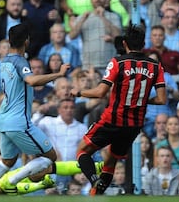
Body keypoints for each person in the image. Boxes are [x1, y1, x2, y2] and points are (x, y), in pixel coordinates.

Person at [70, 23, 166, 195]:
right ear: (143, 44)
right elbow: (161, 99)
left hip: (112, 120)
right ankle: (96, 195)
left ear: (124, 44)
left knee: (82, 151)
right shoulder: (155, 66)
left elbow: (100, 92)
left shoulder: (117, 63)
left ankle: (94, 180)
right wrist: (141, 99)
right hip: (133, 126)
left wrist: (79, 92)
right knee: (111, 160)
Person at [0, 23, 70, 196]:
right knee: (50, 156)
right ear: (26, 41)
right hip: (19, 121)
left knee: (7, 161)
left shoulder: (4, 61)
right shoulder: (20, 61)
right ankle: (13, 180)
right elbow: (32, 81)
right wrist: (59, 74)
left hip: (4, 119)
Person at [69, 0, 122, 72]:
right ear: (91, 0)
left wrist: (102, 17)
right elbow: (72, 36)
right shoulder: (83, 17)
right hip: (88, 66)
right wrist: (83, 19)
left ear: (105, 0)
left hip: (109, 64)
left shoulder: (113, 16)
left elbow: (118, 36)